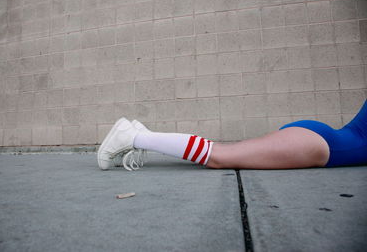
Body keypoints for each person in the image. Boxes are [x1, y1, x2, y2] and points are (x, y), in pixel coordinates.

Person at [98, 100, 367, 171]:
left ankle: (140, 134)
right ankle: (134, 137)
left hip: (323, 140)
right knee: (219, 156)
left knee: (222, 155)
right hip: (321, 146)